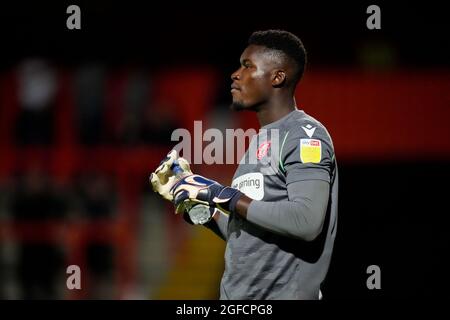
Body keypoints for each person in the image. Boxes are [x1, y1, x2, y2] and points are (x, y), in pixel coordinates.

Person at [151, 30, 338, 300]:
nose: (235, 74)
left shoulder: (305, 135)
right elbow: (252, 239)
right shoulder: (259, 142)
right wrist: (199, 205)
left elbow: (306, 222)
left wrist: (220, 194)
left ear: (278, 76)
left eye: (248, 66)